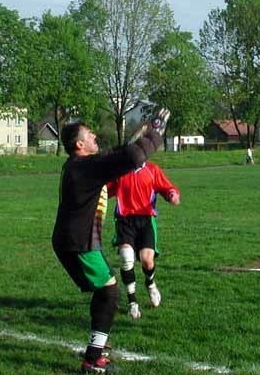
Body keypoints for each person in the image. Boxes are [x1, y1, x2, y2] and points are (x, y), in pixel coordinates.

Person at [51, 109, 169, 374]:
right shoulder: (85, 166)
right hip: (78, 244)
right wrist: (157, 132)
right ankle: (92, 360)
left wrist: (140, 133)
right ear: (79, 144)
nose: (95, 136)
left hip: (77, 241)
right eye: (90, 134)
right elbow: (134, 156)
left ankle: (97, 347)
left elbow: (113, 156)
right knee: (109, 292)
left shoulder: (79, 165)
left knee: (105, 290)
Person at [107, 161, 181, 320]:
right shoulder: (120, 170)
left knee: (147, 261)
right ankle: (132, 303)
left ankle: (150, 283)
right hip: (124, 221)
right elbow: (105, 189)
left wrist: (172, 195)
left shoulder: (152, 170)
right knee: (127, 259)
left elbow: (166, 187)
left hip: (146, 220)